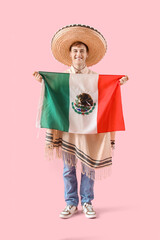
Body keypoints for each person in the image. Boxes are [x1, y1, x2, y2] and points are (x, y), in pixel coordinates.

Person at [33, 24, 129, 219]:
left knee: (88, 166)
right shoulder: (62, 78)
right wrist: (43, 81)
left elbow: (106, 91)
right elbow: (54, 93)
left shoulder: (95, 78)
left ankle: (87, 202)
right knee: (68, 168)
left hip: (89, 130)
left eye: (82, 51)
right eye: (75, 51)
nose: (78, 54)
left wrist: (117, 83)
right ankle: (70, 203)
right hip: (69, 129)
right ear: (70, 54)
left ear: (86, 54)